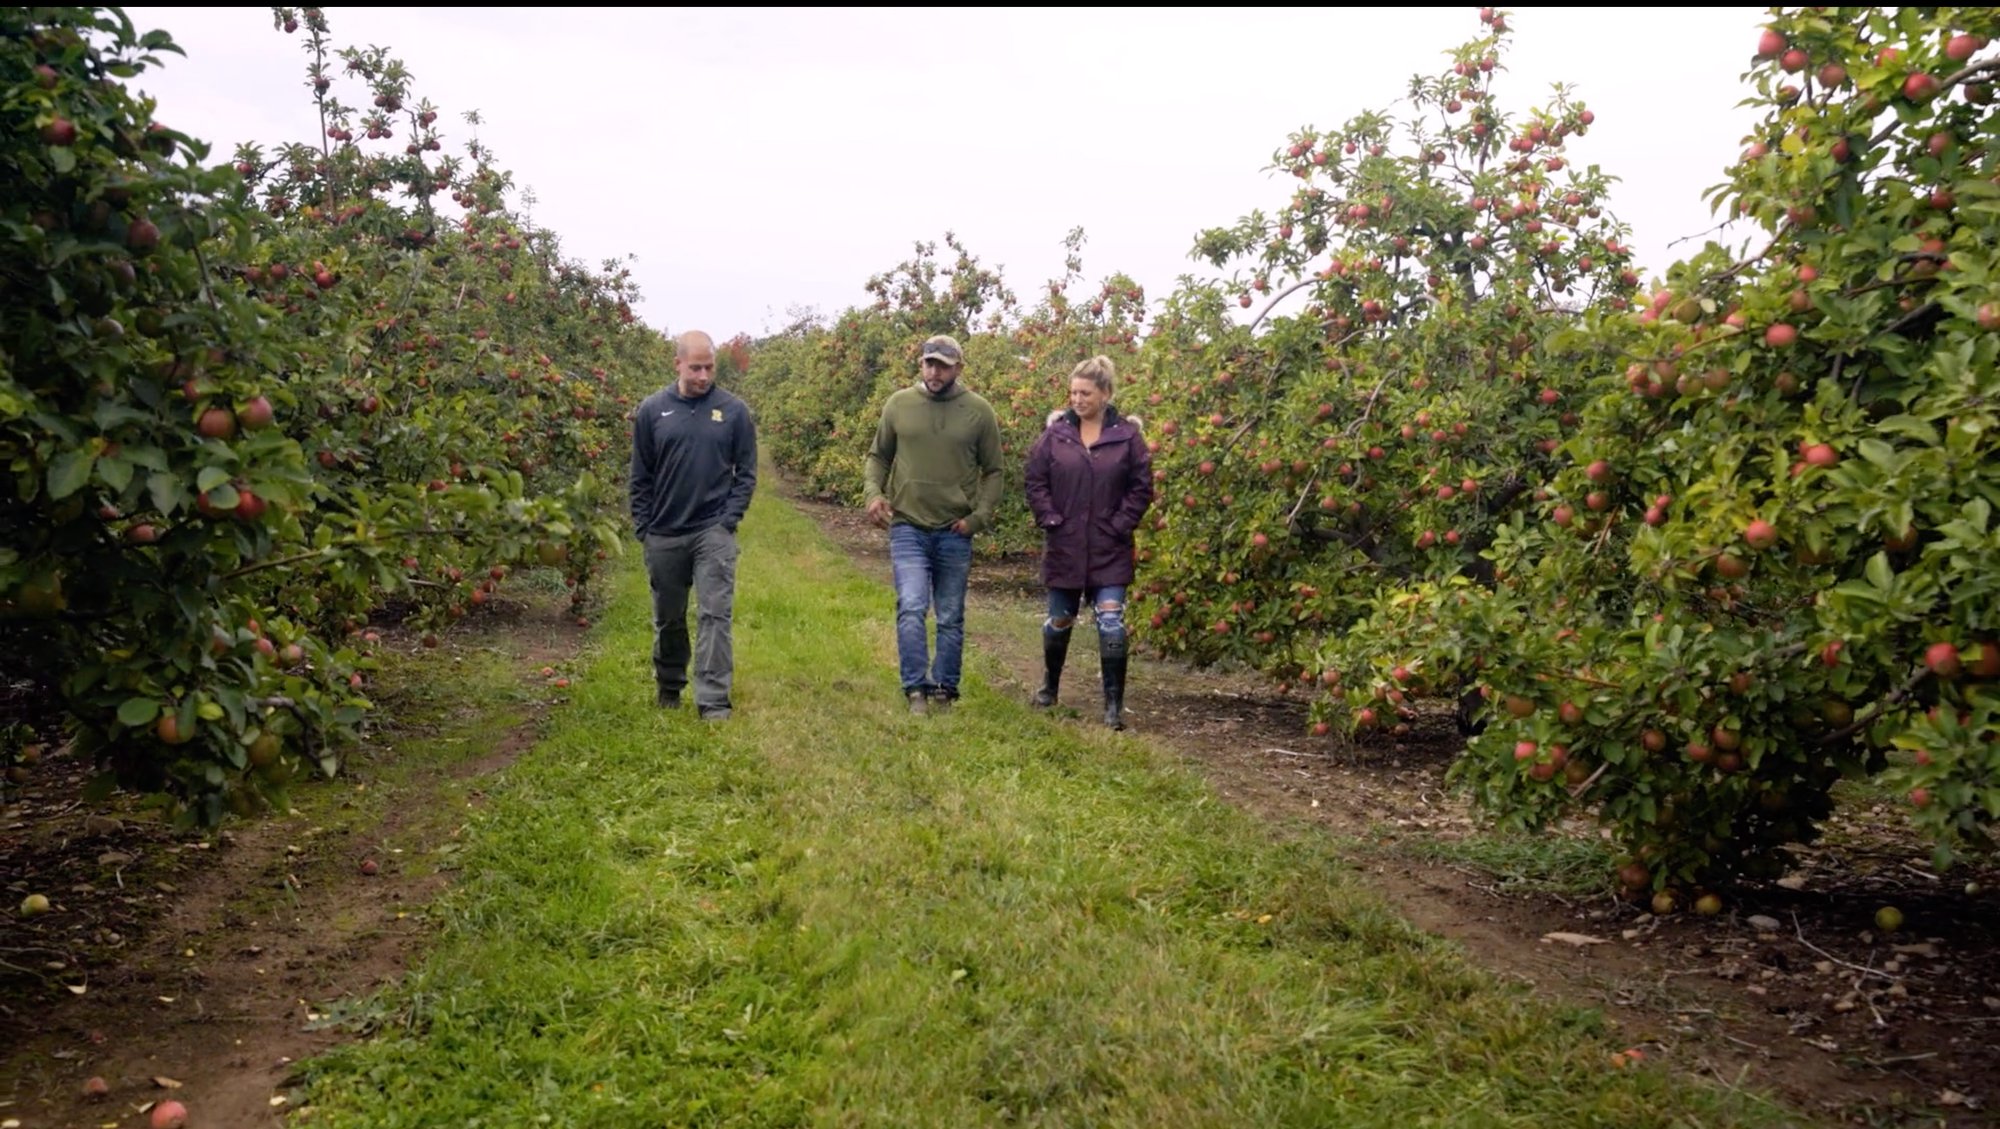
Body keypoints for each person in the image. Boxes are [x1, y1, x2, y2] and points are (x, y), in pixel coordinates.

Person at [863, 334, 1004, 715]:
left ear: (958, 368)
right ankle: (915, 688)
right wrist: (873, 493)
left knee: (950, 614)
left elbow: (994, 471)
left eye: (943, 365)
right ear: (921, 364)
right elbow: (878, 457)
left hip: (954, 529)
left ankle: (945, 688)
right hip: (908, 524)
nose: (935, 371)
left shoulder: (978, 411)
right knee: (911, 606)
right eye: (929, 363)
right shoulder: (899, 404)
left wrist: (978, 518)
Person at [630, 330, 757, 720]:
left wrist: (728, 520)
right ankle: (669, 685)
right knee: (669, 617)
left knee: (715, 614)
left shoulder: (733, 411)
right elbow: (640, 475)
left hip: (711, 531)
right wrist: (644, 527)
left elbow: (746, 473)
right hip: (664, 532)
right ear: (678, 364)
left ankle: (713, 701)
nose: (703, 376)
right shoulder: (652, 410)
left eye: (709, 368)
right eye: (696, 368)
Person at [1023, 355, 1153, 730]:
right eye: (1074, 393)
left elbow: (1141, 487)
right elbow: (1035, 479)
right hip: (1065, 546)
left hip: (1109, 548)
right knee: (1059, 620)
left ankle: (1113, 705)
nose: (1078, 400)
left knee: (1111, 623)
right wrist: (1050, 517)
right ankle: (1050, 687)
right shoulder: (1056, 435)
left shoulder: (1127, 437)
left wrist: (1120, 524)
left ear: (1105, 393)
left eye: (1086, 393)